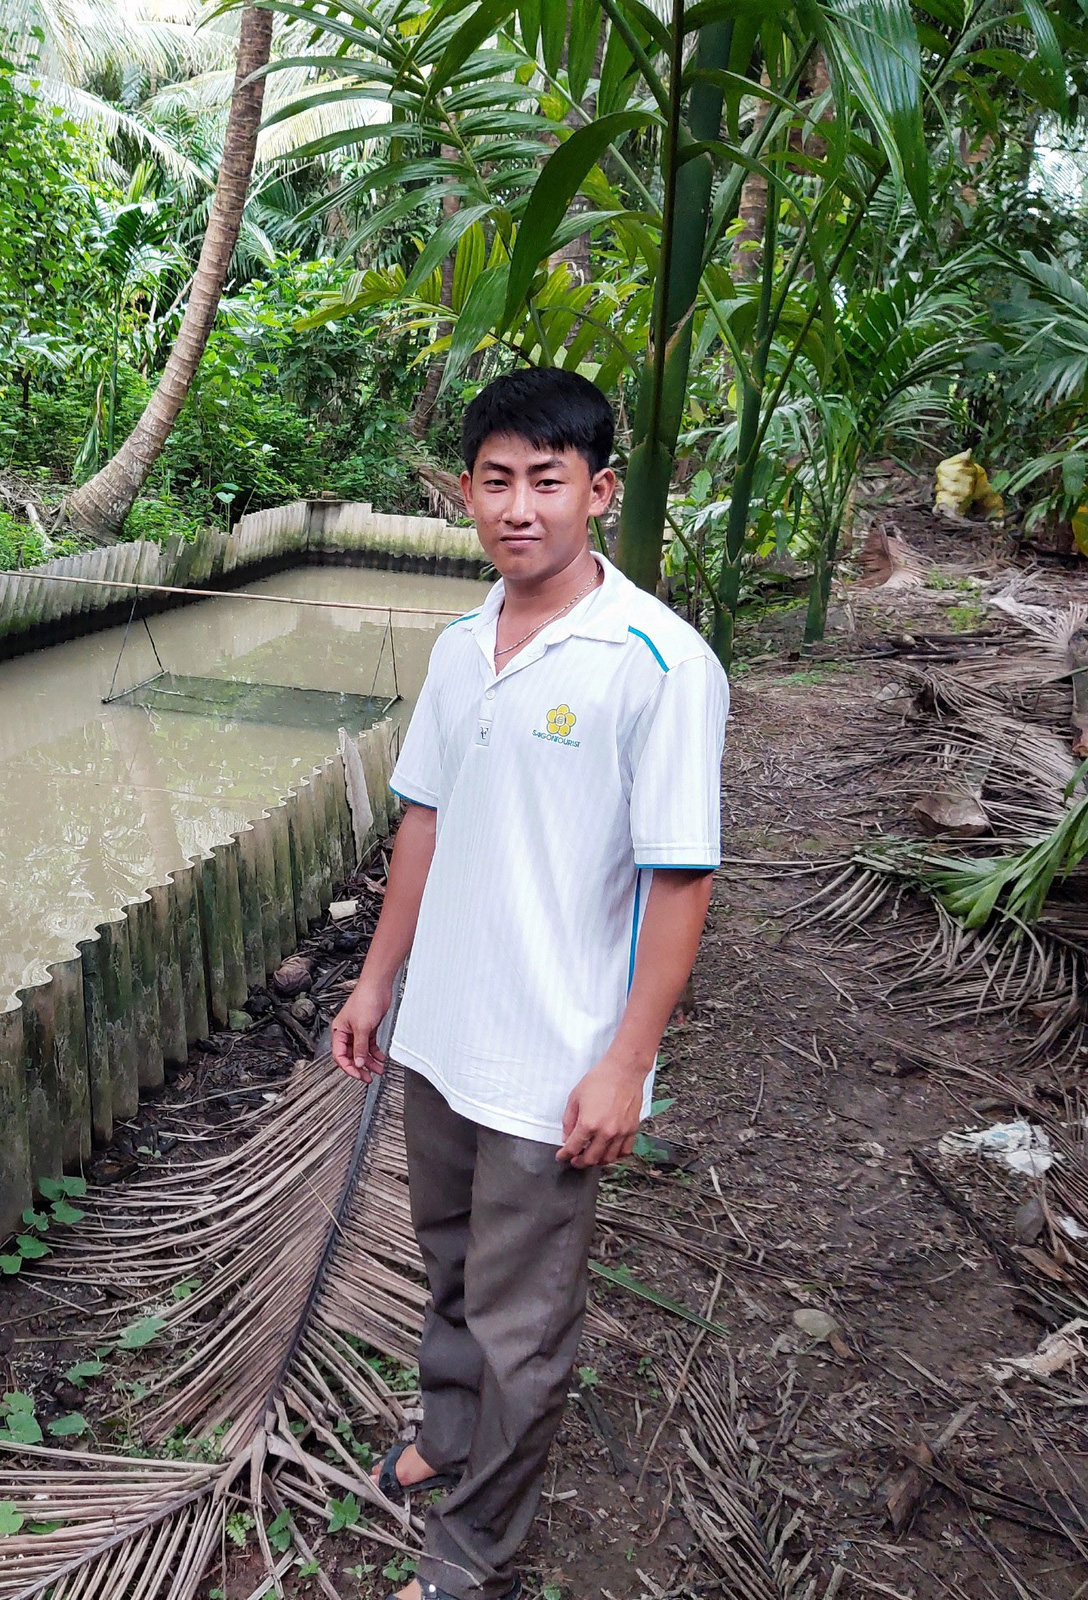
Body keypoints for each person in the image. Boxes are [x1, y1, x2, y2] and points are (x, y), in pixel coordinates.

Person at [331, 367, 729, 1600]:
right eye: (495, 481)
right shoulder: (459, 649)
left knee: (522, 1322)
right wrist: (375, 980)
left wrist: (624, 1061)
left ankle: (475, 1552)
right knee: (449, 1265)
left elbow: (678, 882)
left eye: (545, 482)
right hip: (444, 1032)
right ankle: (446, 1434)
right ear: (465, 493)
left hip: (553, 1062)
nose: (518, 508)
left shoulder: (657, 664)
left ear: (596, 492)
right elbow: (423, 822)